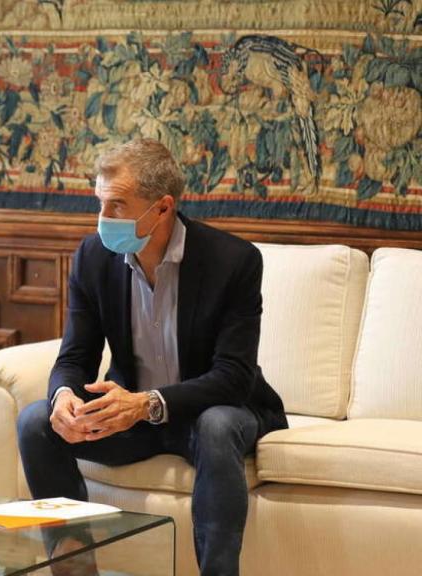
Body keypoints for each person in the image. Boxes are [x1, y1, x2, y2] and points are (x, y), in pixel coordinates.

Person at [16, 139, 287, 576]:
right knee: (35, 422)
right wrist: (64, 396)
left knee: (217, 426)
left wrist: (147, 404)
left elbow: (233, 376)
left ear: (162, 208)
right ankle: (75, 569)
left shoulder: (233, 261)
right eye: (101, 203)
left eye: (117, 206)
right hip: (132, 419)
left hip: (210, 411)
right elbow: (75, 356)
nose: (103, 219)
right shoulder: (93, 257)